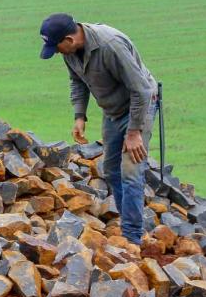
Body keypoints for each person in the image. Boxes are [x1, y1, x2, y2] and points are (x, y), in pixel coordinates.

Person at [39, 13, 157, 245]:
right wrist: (79, 115)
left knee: (131, 171)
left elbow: (141, 90)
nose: (58, 53)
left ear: (69, 39)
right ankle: (127, 223)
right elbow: (77, 80)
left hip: (139, 107)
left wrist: (134, 132)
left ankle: (132, 238)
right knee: (112, 170)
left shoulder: (110, 46)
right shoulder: (70, 52)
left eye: (57, 47)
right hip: (113, 110)